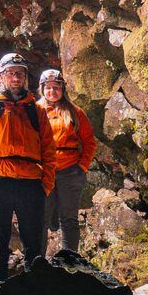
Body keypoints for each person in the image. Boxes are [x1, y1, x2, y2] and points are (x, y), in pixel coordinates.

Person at [0, 52, 56, 283]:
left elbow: (48, 149)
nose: (15, 77)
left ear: (25, 77)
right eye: (11, 73)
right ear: (1, 76)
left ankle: (34, 290)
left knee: (33, 244)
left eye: (20, 73)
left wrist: (46, 184)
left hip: (30, 183)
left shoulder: (36, 111)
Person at [38, 68, 97, 254]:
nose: (52, 91)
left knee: (69, 218)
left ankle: (69, 258)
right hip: (44, 170)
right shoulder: (35, 111)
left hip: (70, 170)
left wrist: (82, 166)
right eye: (48, 87)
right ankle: (37, 260)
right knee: (41, 217)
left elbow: (89, 142)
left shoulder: (74, 112)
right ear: (42, 89)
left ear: (62, 89)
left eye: (56, 87)